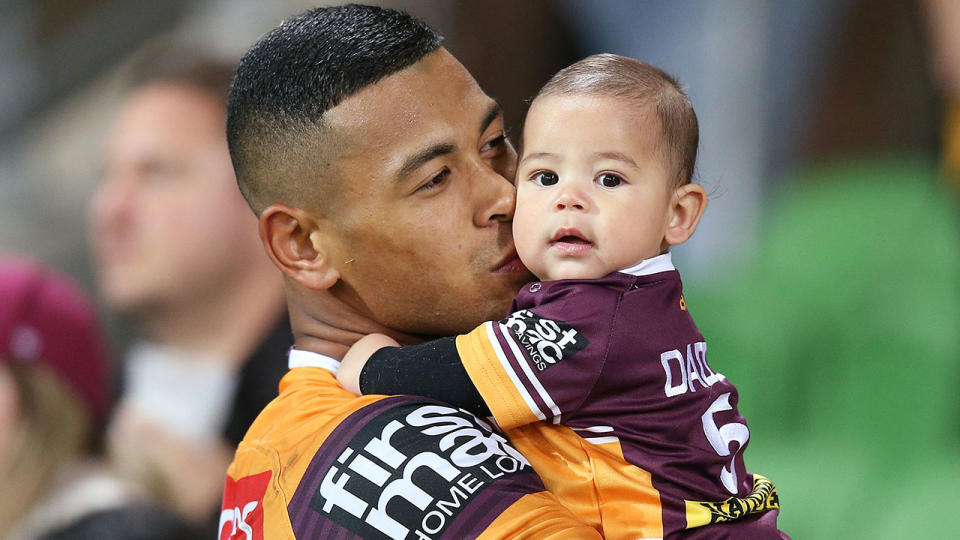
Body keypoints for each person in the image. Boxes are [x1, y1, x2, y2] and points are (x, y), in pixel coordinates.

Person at [337, 54, 787, 539]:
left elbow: (463, 377)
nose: (568, 198)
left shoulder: (593, 319)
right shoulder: (644, 297)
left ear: (677, 214)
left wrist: (370, 364)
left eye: (609, 179)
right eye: (545, 177)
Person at [220, 4, 605, 539]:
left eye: (494, 144)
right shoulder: (387, 452)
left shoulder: (522, 358)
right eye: (435, 179)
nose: (506, 194)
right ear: (303, 245)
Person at [87, 46, 291, 524]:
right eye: (107, 178)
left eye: (154, 174)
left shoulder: (359, 384)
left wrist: (227, 515)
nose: (109, 212)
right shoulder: (75, 423)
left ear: (259, 188)